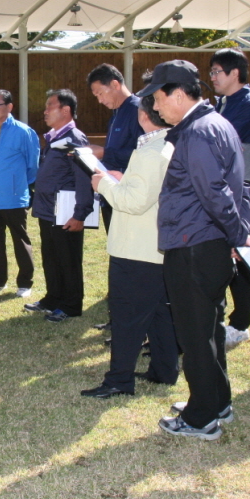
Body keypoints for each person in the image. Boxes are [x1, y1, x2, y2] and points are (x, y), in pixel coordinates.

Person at [142, 60, 250, 441]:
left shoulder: (198, 132)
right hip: (206, 244)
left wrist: (238, 235)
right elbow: (238, 187)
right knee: (208, 329)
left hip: (194, 245)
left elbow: (216, 193)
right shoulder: (214, 124)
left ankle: (202, 415)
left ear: (177, 93)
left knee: (193, 333)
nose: (156, 108)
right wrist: (238, 233)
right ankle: (217, 400)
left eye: (158, 98)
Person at [83, 94, 179, 398]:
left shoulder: (152, 150)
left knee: (126, 317)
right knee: (160, 313)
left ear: (145, 114)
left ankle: (119, 380)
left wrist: (103, 184)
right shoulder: (163, 144)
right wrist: (121, 180)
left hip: (136, 247)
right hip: (154, 246)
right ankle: (164, 369)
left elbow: (134, 202)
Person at [209, 48, 250, 351]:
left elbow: (224, 143)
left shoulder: (248, 105)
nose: (213, 77)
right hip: (219, 187)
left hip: (237, 190)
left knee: (239, 255)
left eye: (217, 71)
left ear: (234, 73)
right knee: (221, 253)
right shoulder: (222, 103)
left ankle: (240, 324)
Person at [25, 89, 94, 323]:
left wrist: (80, 214)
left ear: (65, 110)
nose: (45, 111)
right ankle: (53, 297)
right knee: (51, 257)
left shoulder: (74, 138)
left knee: (68, 259)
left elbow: (84, 177)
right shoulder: (55, 137)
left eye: (50, 106)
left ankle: (71, 304)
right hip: (48, 210)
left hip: (66, 212)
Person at [87, 63, 143, 330]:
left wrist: (102, 155)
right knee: (118, 252)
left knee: (131, 259)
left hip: (130, 196)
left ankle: (131, 317)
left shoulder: (139, 111)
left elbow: (142, 155)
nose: (99, 100)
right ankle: (120, 313)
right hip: (112, 192)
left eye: (100, 93)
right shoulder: (117, 113)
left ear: (115, 84)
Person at [0, 89, 40, 297]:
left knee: (20, 241)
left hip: (14, 196)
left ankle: (25, 283)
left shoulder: (23, 132)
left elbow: (33, 165)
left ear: (9, 107)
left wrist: (19, 184)